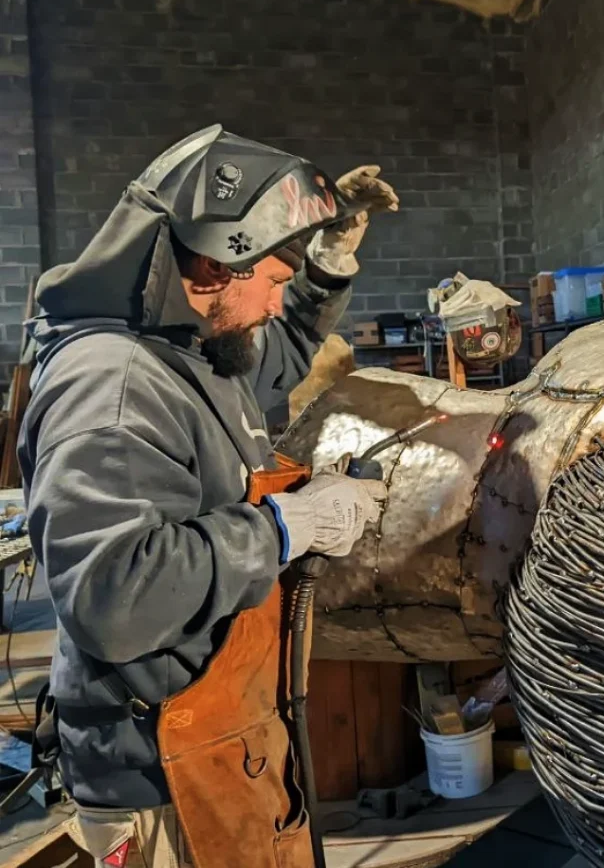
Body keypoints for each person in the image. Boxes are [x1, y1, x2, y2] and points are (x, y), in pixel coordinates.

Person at [18, 125, 399, 868]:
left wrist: (325, 264)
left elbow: (279, 357)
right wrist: (289, 525)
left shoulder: (189, 354)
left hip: (224, 739)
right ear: (212, 268)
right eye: (275, 280)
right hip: (160, 775)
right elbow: (113, 597)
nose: (275, 302)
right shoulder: (114, 386)